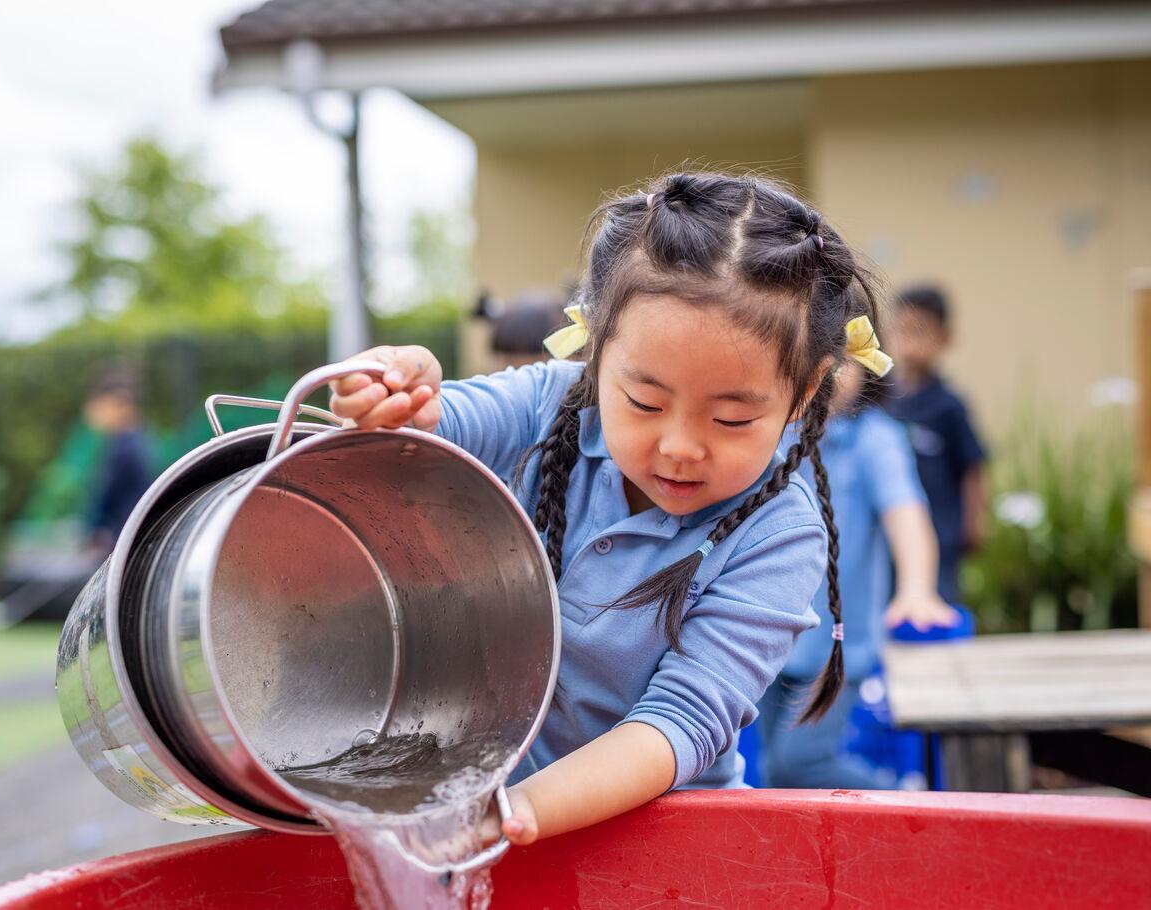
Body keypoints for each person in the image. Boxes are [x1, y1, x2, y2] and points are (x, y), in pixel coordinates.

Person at [329, 173, 889, 845]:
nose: (680, 447)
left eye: (733, 417)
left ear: (804, 396)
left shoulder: (780, 531)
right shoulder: (548, 404)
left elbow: (679, 723)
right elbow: (418, 437)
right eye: (645, 403)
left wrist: (508, 815)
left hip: (663, 845)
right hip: (490, 804)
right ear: (595, 352)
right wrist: (394, 396)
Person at [757, 348, 959, 790]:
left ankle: (912, 808)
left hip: (836, 647)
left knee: (799, 765)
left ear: (871, 365)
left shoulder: (873, 437)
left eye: (844, 359)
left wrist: (917, 587)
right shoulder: (774, 430)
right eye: (814, 355)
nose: (829, 372)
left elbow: (906, 514)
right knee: (774, 773)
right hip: (769, 638)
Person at [882, 285, 987, 603]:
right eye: (901, 330)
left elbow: (972, 466)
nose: (908, 342)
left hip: (941, 534)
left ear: (945, 337)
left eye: (920, 331)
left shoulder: (949, 406)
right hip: (891, 533)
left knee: (935, 606)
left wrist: (975, 523)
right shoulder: (885, 402)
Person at [82, 370, 152, 555]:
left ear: (120, 403)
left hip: (126, 541)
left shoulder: (127, 448)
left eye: (100, 406)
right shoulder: (133, 440)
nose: (94, 413)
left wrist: (94, 529)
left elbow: (107, 497)